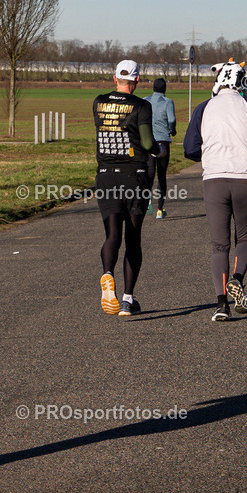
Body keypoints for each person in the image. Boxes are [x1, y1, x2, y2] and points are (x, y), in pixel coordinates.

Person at [184, 60, 247, 321]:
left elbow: (190, 148)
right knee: (245, 238)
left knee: (219, 246)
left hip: (213, 179)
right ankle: (237, 279)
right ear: (243, 82)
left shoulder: (203, 108)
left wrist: (211, 154)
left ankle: (221, 305)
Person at [92, 60, 159, 317]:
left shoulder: (98, 102)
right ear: (137, 80)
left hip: (106, 175)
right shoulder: (142, 105)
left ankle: (107, 274)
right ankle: (128, 300)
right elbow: (146, 141)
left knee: (112, 234)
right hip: (134, 175)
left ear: (114, 78)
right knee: (133, 237)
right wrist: (158, 150)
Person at [144, 78, 177, 218]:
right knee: (162, 175)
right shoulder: (168, 102)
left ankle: (146, 203)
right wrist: (172, 129)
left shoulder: (145, 100)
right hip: (162, 141)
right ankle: (160, 209)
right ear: (165, 88)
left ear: (153, 87)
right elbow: (171, 119)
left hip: (148, 142)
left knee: (149, 174)